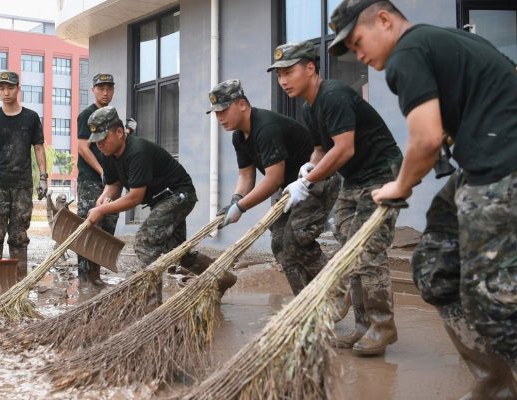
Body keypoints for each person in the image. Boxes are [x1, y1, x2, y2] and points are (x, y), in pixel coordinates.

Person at [329, 0, 517, 397]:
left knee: (496, 306)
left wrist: (399, 187)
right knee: (436, 270)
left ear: (384, 20)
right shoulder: (461, 42)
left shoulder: (406, 53)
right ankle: (496, 388)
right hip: (498, 172)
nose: (359, 55)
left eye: (358, 41)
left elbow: (425, 139)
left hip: (515, 173)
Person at [270, 40, 404, 356]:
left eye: (289, 71)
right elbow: (321, 148)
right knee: (348, 249)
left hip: (382, 173)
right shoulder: (308, 106)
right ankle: (361, 326)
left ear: (310, 67)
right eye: (279, 75)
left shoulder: (333, 95)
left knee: (367, 248)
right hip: (355, 178)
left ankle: (382, 325)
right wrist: (307, 169)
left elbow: (344, 148)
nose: (284, 80)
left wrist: (308, 181)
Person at [83, 106, 236, 299]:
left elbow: (135, 197)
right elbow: (114, 184)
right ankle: (223, 278)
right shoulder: (109, 156)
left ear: (120, 132)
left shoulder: (137, 151)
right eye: (96, 141)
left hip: (178, 195)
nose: (100, 144)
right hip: (161, 200)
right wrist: (101, 202)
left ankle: (152, 303)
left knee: (144, 242)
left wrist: (103, 210)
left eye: (103, 139)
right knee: (179, 253)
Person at [206, 78, 337, 300]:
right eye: (216, 113)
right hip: (289, 188)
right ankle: (305, 300)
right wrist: (235, 199)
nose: (220, 118)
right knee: (279, 244)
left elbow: (273, 179)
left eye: (224, 111)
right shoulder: (239, 136)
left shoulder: (266, 127)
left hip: (315, 181)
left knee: (296, 239)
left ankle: (335, 290)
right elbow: (246, 175)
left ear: (242, 104)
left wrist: (241, 207)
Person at [0, 71, 48, 278]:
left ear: (18, 89)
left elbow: (39, 148)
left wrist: (43, 177)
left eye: (10, 87)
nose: (6, 92)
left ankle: (19, 279)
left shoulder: (31, 118)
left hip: (22, 183)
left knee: (19, 233)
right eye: (2, 88)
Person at [75, 73, 119, 286]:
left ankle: (96, 275)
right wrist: (102, 171)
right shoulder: (87, 115)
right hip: (91, 181)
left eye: (109, 88)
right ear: (93, 90)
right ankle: (85, 277)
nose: (105, 92)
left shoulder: (113, 117)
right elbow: (83, 147)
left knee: (107, 228)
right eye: (101, 88)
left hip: (112, 184)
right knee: (89, 226)